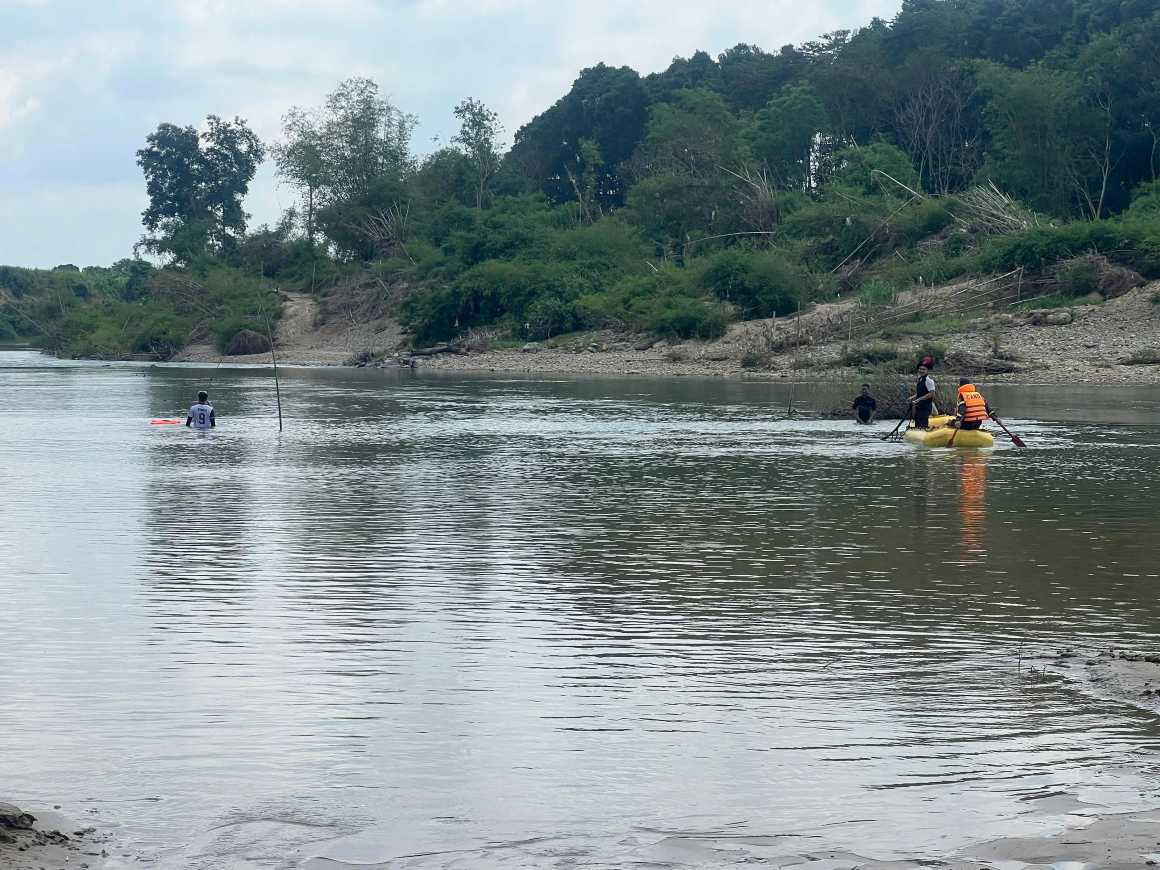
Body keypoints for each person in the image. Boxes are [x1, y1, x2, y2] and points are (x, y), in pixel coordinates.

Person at [908, 357, 937, 429]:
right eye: (920, 369)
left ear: (927, 371)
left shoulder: (929, 381)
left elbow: (932, 393)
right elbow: (921, 392)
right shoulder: (920, 379)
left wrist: (919, 399)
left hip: (925, 407)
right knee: (917, 424)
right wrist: (913, 397)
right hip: (918, 406)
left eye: (923, 369)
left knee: (923, 425)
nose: (921, 371)